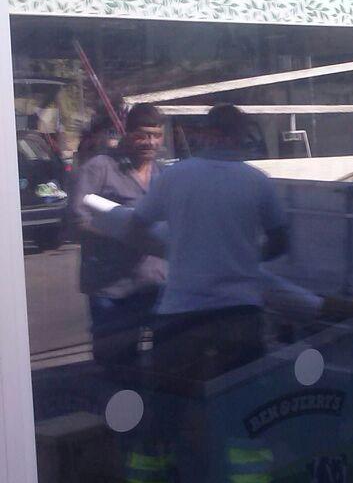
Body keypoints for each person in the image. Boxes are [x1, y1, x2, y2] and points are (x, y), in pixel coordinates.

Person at [131, 104, 289, 380]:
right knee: (240, 395)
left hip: (182, 309)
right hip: (240, 310)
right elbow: (280, 242)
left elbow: (136, 225)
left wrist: (170, 250)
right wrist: (245, 257)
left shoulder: (174, 176)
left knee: (176, 396)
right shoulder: (257, 181)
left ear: (205, 134)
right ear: (241, 136)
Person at [69, 103, 167, 366]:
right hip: (112, 289)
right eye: (142, 135)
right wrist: (121, 232)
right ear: (127, 132)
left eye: (156, 135)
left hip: (155, 284)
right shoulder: (99, 168)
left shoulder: (163, 174)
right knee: (116, 364)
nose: (150, 142)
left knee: (165, 362)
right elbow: (76, 221)